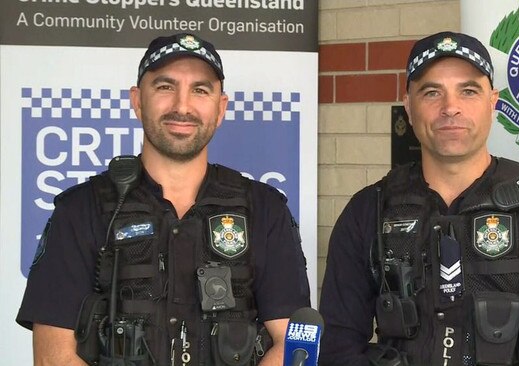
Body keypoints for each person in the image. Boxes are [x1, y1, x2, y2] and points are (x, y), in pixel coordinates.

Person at [318, 31, 519, 366]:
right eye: (432, 92)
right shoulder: (369, 212)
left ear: (492, 102)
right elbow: (338, 343)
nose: (450, 108)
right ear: (408, 106)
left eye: (468, 91)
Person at [16, 33, 310, 366]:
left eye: (200, 90)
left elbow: (296, 342)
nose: (182, 106)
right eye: (165, 87)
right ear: (138, 100)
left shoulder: (265, 210)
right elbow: (52, 355)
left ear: (221, 108)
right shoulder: (81, 210)